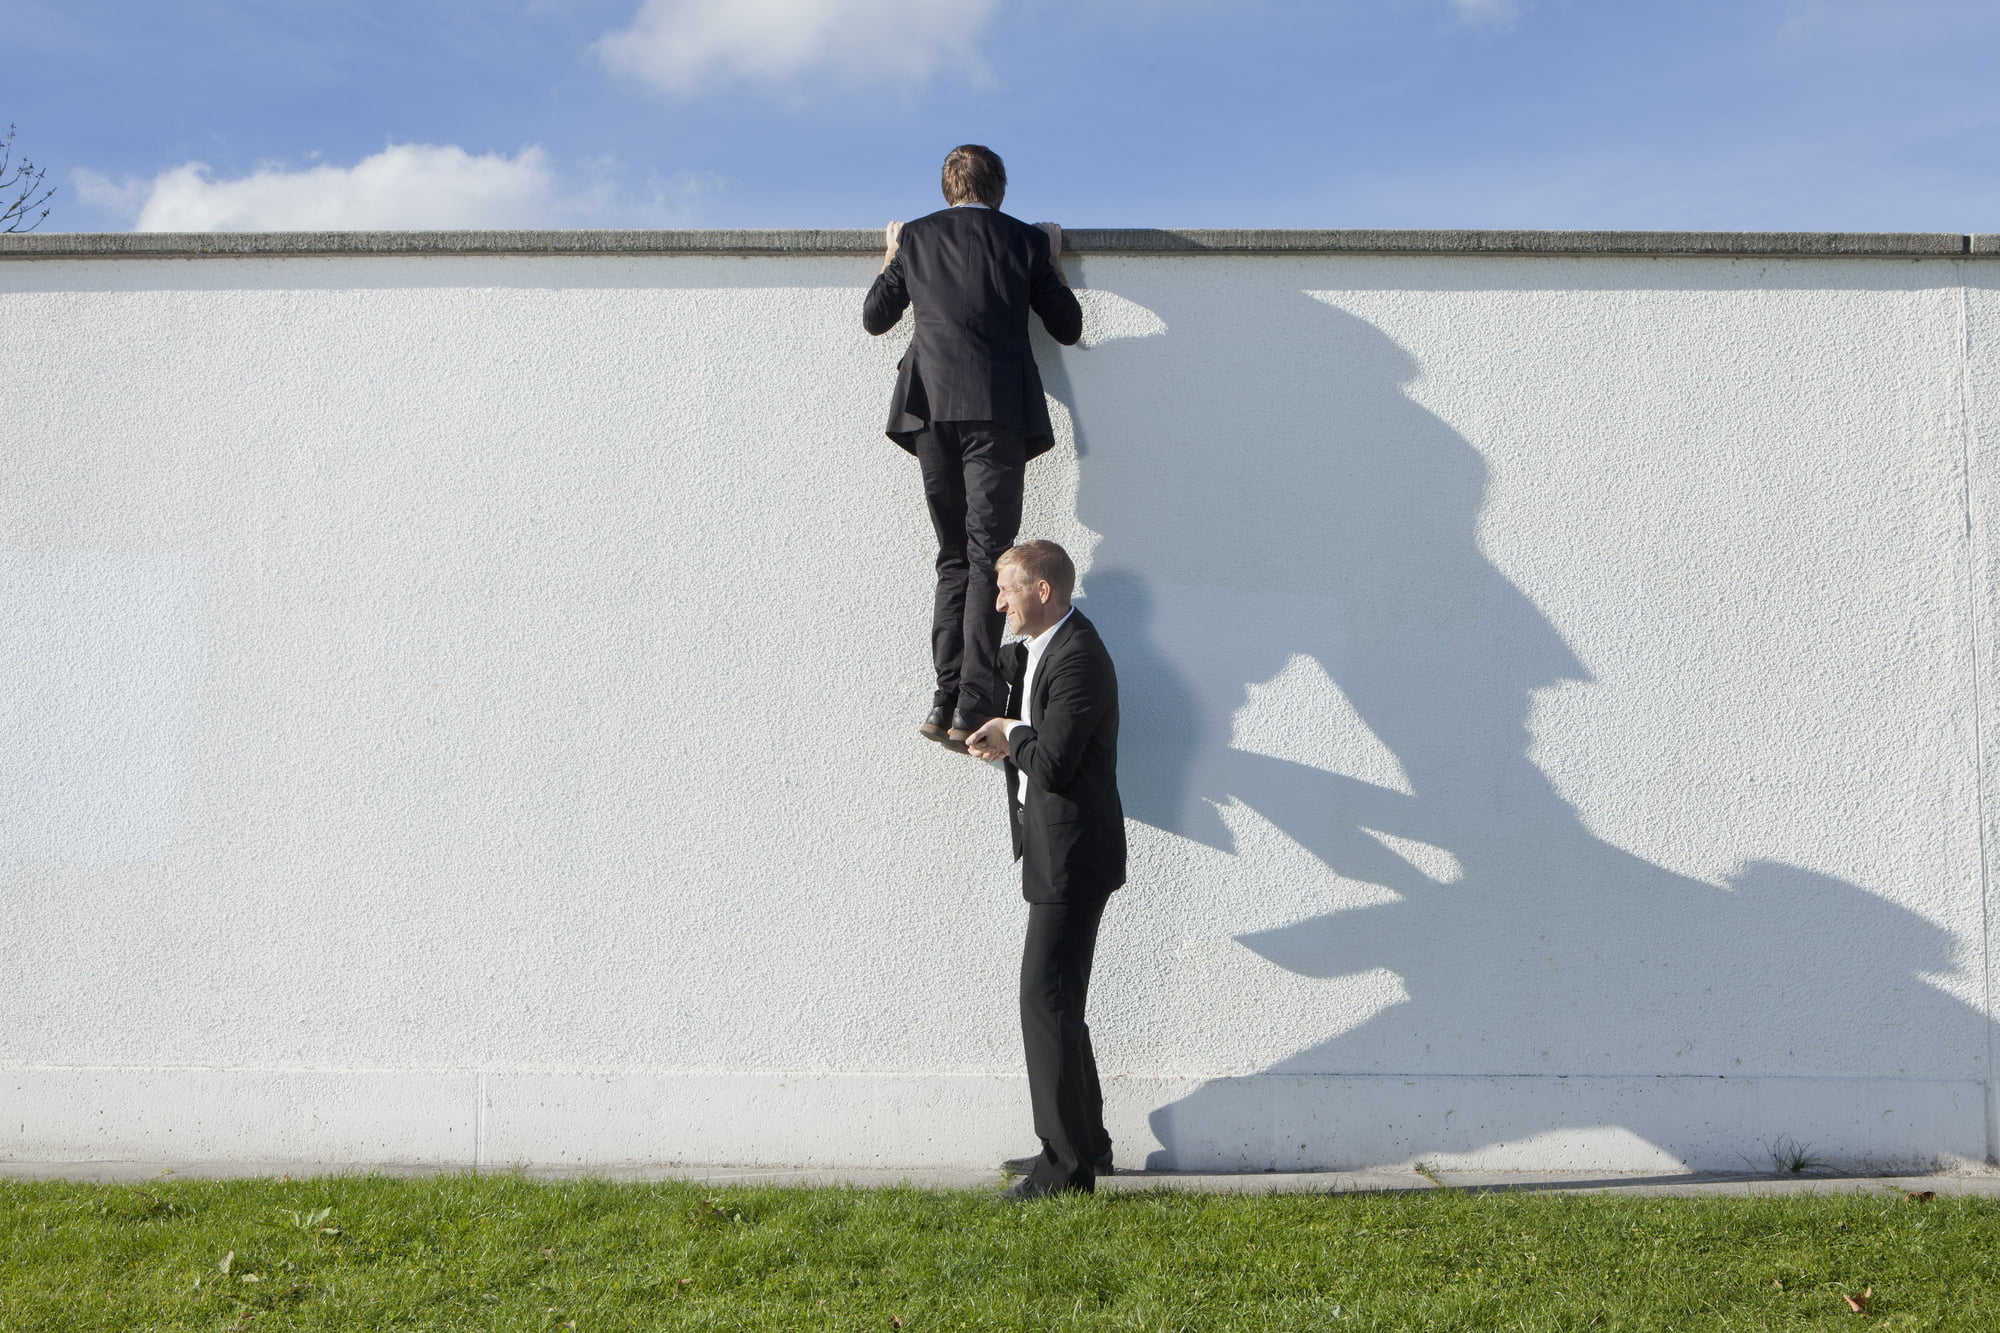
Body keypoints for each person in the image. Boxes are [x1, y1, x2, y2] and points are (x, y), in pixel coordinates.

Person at [862, 145, 1083, 753]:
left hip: (930, 410)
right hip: (996, 411)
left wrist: (892, 255)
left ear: (947, 189)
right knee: (988, 555)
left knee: (954, 556)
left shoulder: (916, 238)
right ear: (1000, 189)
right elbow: (1068, 327)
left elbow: (875, 318)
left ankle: (945, 697)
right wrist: (1052, 260)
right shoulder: (1025, 241)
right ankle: (973, 702)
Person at [965, 541, 1125, 1198]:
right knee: (1060, 1001)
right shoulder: (1041, 648)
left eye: (1007, 589)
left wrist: (1010, 732)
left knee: (1044, 998)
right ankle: (1089, 1144)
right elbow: (998, 663)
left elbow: (1054, 763)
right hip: (1056, 850)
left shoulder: (1079, 656)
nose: (999, 602)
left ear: (1044, 591)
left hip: (1075, 855)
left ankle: (1064, 1169)